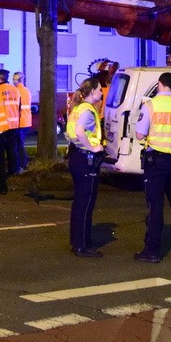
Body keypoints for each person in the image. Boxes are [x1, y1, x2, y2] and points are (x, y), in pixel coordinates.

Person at [133, 72, 171, 263]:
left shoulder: (151, 105)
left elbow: (139, 135)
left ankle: (152, 251)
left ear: (160, 84)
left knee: (155, 207)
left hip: (157, 162)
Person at [65, 78, 105, 258]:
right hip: (85, 159)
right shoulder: (88, 110)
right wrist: (93, 148)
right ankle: (83, 245)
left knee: (80, 202)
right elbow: (80, 131)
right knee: (86, 203)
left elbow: (71, 133)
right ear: (93, 91)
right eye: (99, 90)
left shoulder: (77, 108)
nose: (102, 93)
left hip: (76, 156)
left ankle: (77, 242)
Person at [0, 69, 20, 175]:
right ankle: (14, 171)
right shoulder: (15, 89)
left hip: (1, 124)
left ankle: (0, 172)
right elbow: (19, 106)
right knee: (12, 149)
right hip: (14, 124)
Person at [13, 72, 31, 172]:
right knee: (21, 143)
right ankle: (22, 164)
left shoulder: (16, 91)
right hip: (26, 120)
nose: (13, 81)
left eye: (14, 79)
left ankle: (22, 165)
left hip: (20, 121)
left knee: (18, 145)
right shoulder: (26, 91)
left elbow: (16, 107)